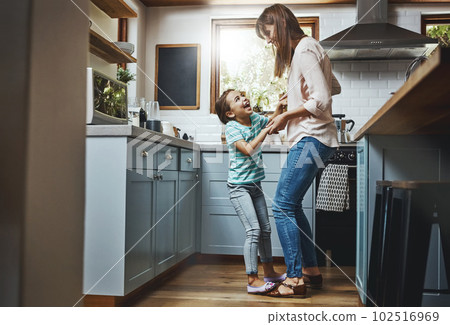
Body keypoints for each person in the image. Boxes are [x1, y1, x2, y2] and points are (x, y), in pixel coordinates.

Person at [255, 4, 341, 297]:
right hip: (317, 140)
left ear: (279, 24)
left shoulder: (304, 50)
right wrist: (294, 97)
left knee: (281, 206)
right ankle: (311, 271)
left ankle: (294, 280)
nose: (268, 41)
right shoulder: (308, 50)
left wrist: (286, 116)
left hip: (311, 139)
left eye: (267, 34)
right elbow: (334, 87)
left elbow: (323, 99)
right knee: (293, 207)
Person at [215, 89, 286, 295]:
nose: (244, 99)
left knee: (265, 229)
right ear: (230, 113)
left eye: (243, 96)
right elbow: (247, 149)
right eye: (237, 99)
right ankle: (252, 279)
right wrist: (265, 132)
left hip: (255, 185)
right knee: (253, 231)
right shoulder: (232, 127)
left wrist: (279, 108)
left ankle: (270, 272)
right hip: (238, 188)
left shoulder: (253, 117)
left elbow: (270, 121)